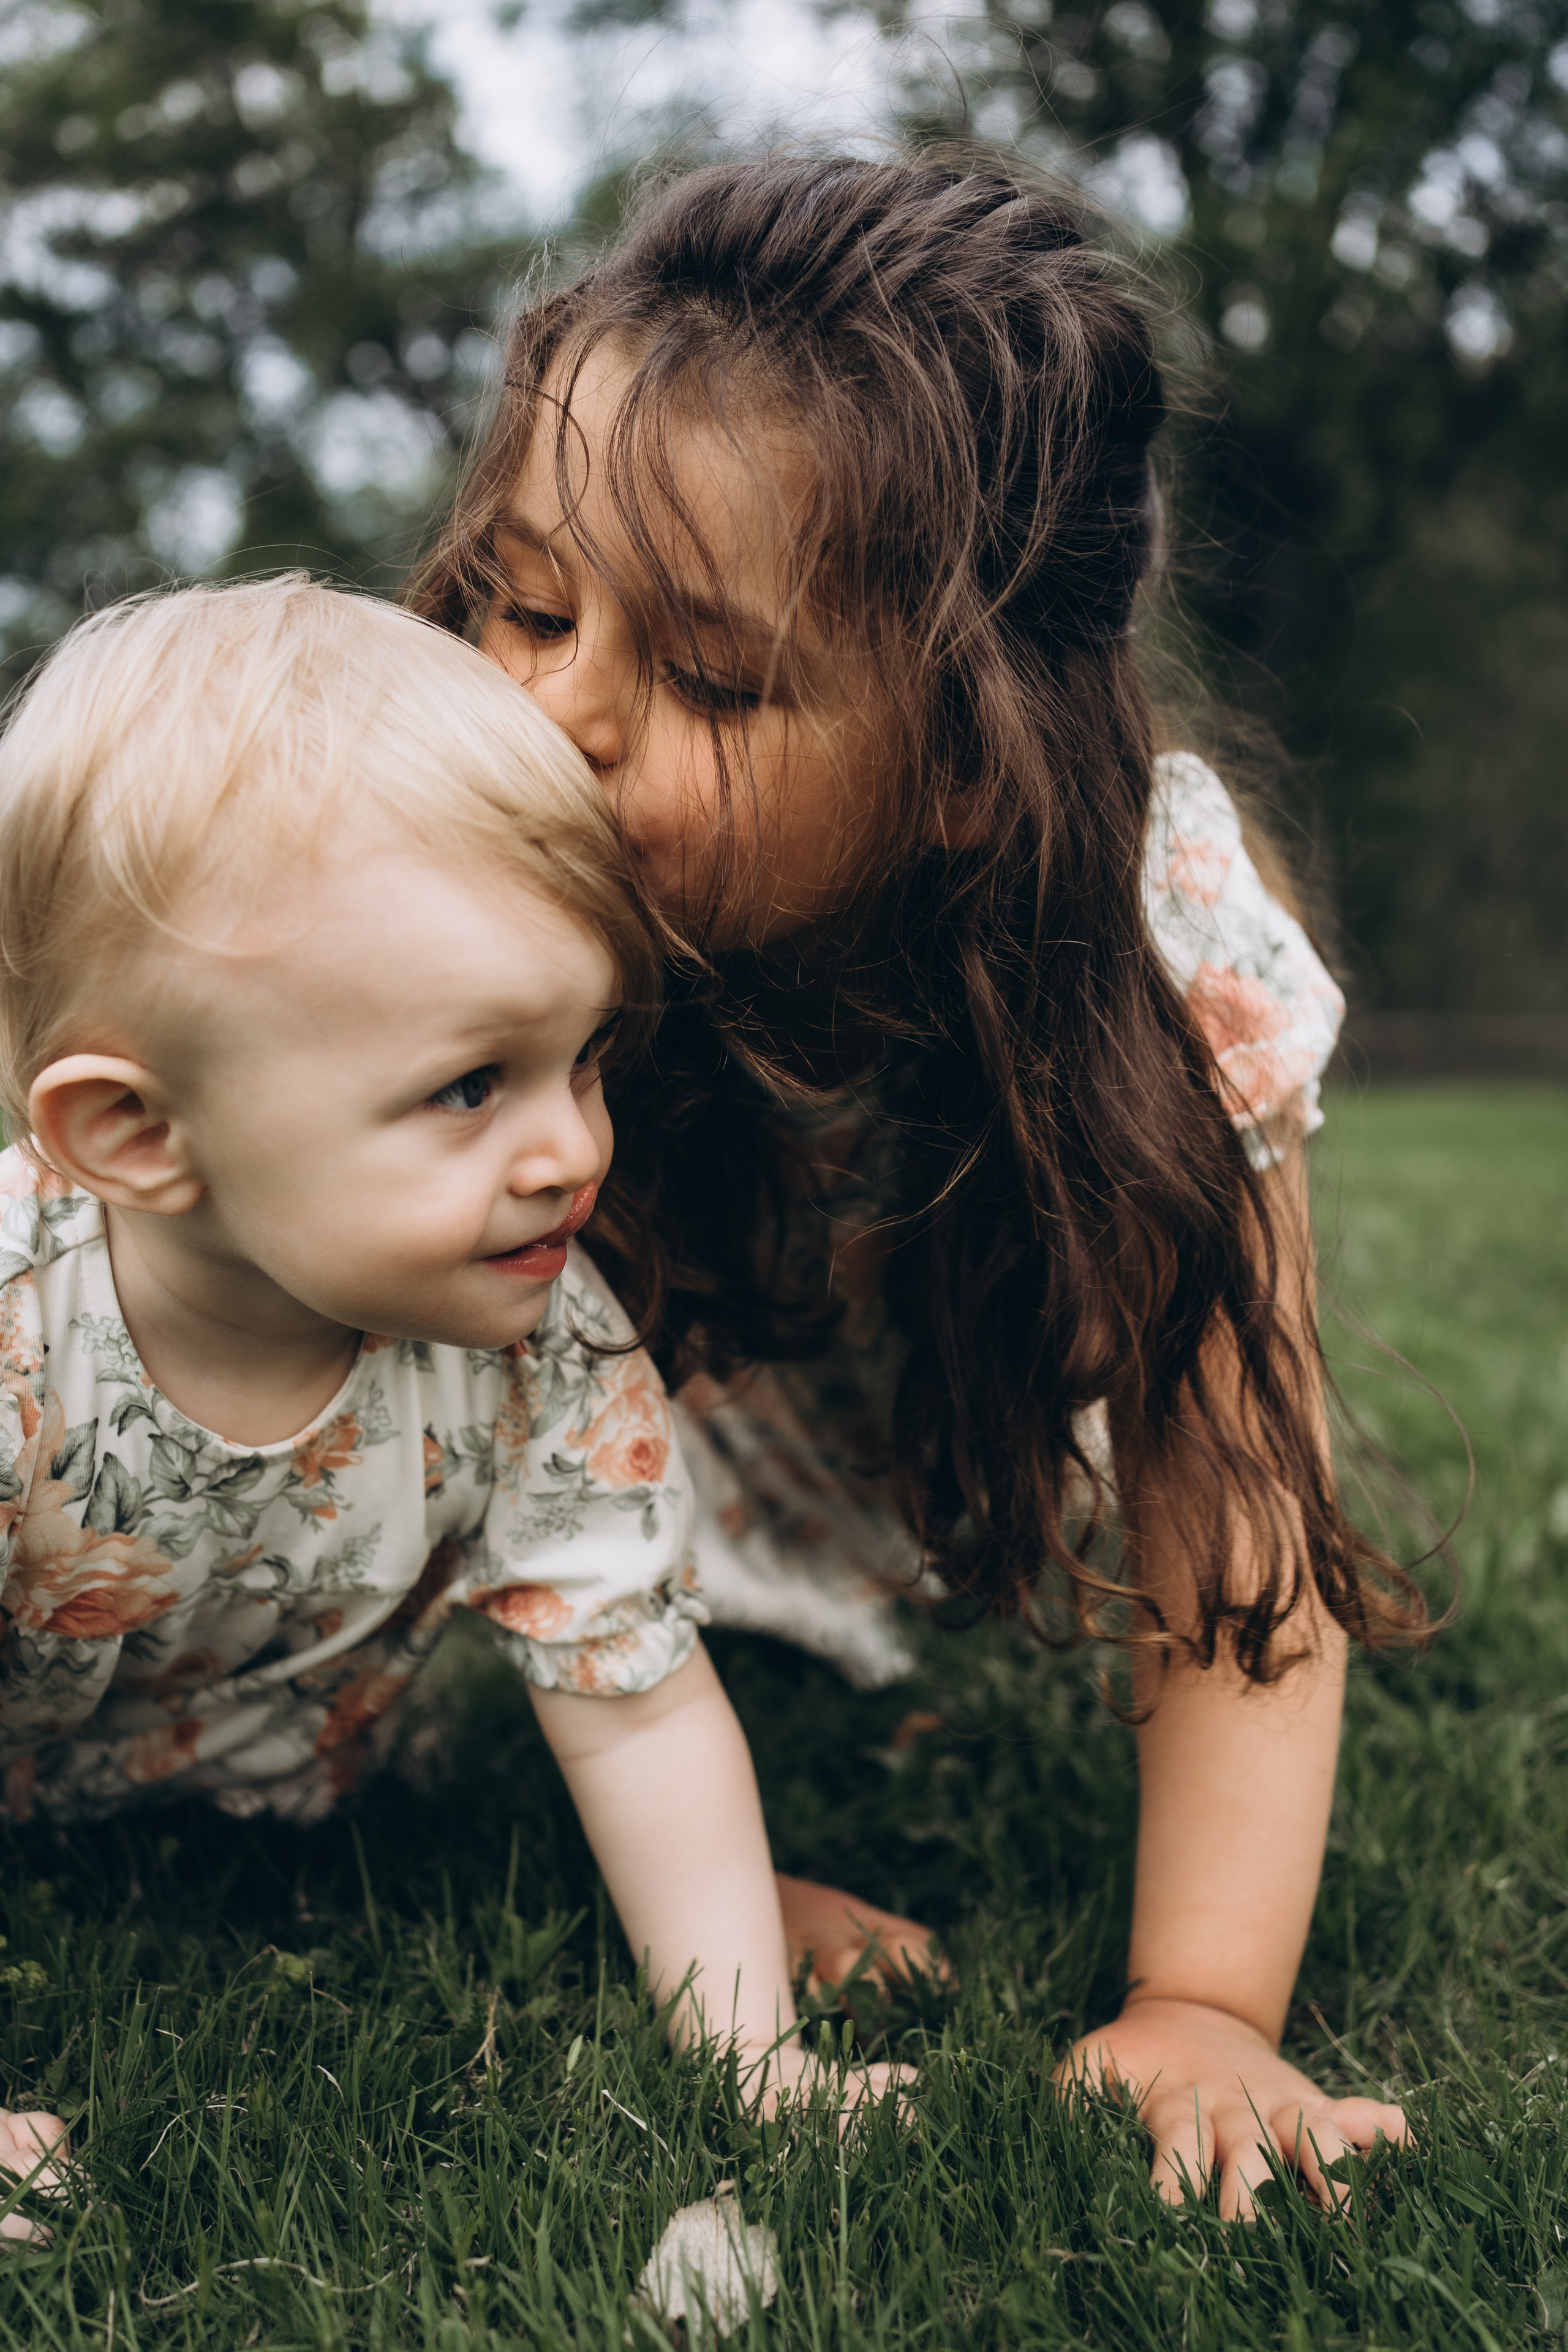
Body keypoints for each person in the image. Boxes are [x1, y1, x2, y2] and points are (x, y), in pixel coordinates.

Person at [408, 152, 1425, 2221]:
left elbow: (1232, 1502)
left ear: (969, 755)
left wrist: (1205, 2001)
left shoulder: (1144, 927)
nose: (555, 712)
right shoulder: (418, 831)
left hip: (854, 1453)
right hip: (591, 1457)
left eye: (706, 676)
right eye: (522, 604)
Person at [0, 576, 897, 2229]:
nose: (570, 1148)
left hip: (276, 1801)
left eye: (588, 1057)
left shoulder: (540, 1337)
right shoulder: (16, 1344)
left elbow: (636, 1695)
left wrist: (753, 2065)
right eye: (471, 1083)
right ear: (139, 1136)